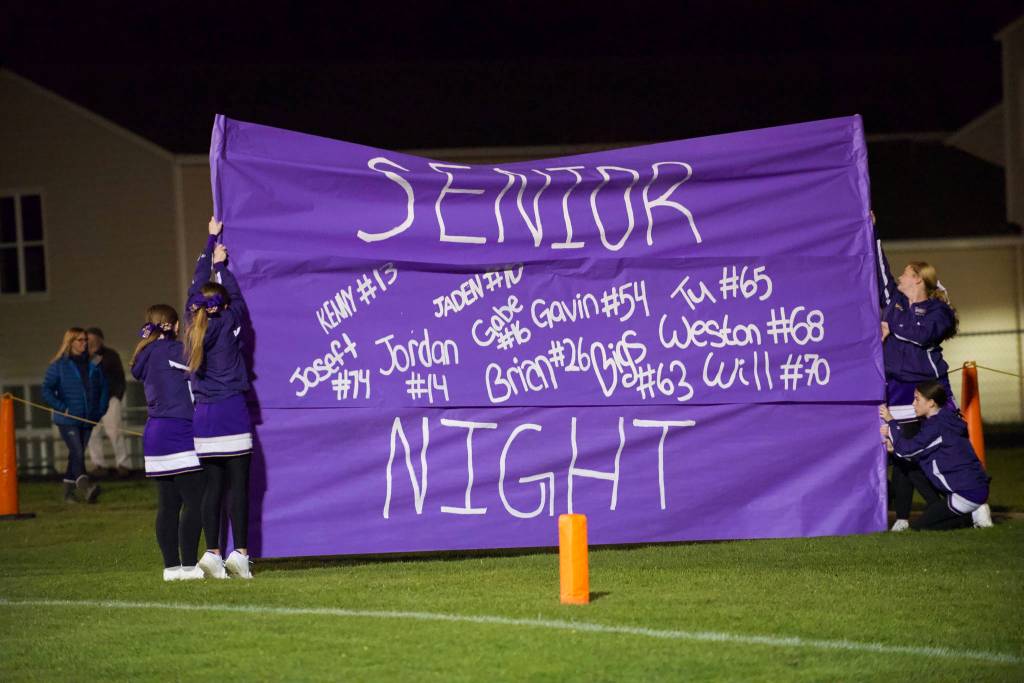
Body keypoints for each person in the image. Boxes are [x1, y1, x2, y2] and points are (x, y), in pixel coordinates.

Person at [874, 230, 992, 529]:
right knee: (904, 453)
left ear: (918, 279)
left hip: (928, 386)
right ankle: (904, 517)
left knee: (950, 445)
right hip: (898, 389)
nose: (900, 276)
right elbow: (880, 268)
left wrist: (892, 329)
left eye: (906, 273)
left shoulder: (939, 311)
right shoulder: (895, 301)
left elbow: (925, 334)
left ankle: (975, 502)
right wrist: (872, 230)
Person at [188, 217, 254, 580]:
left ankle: (212, 551)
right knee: (239, 487)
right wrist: (222, 266)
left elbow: (194, 291)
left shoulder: (192, 326)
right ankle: (239, 554)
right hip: (231, 410)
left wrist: (208, 241)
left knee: (212, 486)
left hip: (205, 416)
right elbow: (238, 299)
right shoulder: (231, 320)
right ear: (223, 305)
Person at [131, 305, 205, 581]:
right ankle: (188, 566)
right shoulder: (178, 351)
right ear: (174, 326)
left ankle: (171, 568)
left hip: (155, 434)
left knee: (168, 504)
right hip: (180, 431)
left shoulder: (144, 352)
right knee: (196, 502)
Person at [880, 381, 989, 530]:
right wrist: (894, 449)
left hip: (966, 493)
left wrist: (892, 422)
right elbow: (914, 453)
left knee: (920, 528)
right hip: (973, 486)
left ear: (931, 403)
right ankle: (962, 511)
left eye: (917, 399)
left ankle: (972, 515)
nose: (913, 404)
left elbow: (908, 450)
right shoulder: (945, 418)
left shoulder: (936, 426)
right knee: (911, 468)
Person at [42, 327, 109, 503]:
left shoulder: (94, 364)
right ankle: (85, 486)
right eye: (80, 340)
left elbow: (103, 388)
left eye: (85, 340)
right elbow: (46, 390)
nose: (84, 343)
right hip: (67, 419)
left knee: (75, 455)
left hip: (88, 418)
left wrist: (100, 410)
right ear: (70, 342)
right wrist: (61, 407)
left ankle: (67, 493)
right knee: (77, 451)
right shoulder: (59, 366)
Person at [85, 327, 132, 477]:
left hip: (110, 398)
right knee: (92, 432)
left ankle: (123, 463)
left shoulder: (110, 356)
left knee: (115, 431)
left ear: (100, 339)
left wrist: (117, 396)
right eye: (88, 339)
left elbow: (119, 377)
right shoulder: (82, 357)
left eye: (93, 339)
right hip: (92, 401)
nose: (91, 342)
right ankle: (99, 464)